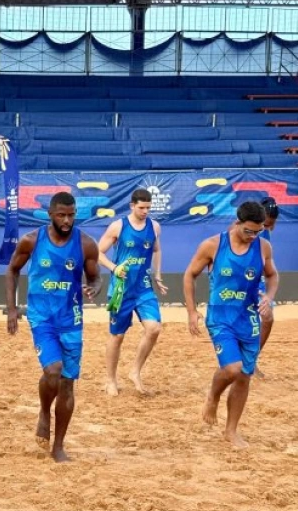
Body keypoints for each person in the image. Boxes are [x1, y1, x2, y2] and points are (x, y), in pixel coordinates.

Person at [5, 191, 100, 463]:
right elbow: (12, 270)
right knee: (53, 370)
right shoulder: (32, 240)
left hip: (71, 320)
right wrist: (12, 308)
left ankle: (58, 446)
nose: (67, 220)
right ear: (50, 215)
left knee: (67, 384)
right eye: (61, 215)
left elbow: (95, 277)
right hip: (42, 317)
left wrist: (93, 287)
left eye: (71, 215)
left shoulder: (86, 244)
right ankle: (45, 411)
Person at [183, 201, 277, 448]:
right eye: (248, 231)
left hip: (249, 319)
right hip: (220, 317)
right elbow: (190, 275)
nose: (253, 236)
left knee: (244, 376)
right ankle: (213, 396)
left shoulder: (263, 247)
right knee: (233, 369)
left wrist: (268, 297)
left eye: (258, 231)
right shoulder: (213, 245)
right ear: (237, 223)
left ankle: (231, 430)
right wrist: (192, 311)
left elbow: (272, 275)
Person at [97, 189, 168, 396]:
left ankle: (135, 371)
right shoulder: (118, 226)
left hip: (143, 288)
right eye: (141, 207)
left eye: (148, 208)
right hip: (121, 289)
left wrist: (157, 275)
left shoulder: (154, 227)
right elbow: (97, 252)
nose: (145, 211)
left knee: (154, 328)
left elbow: (156, 250)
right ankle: (111, 380)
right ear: (132, 206)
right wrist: (114, 268)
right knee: (117, 336)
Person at [255, 197, 279, 377]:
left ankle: (251, 360)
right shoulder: (244, 228)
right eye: (266, 223)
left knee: (268, 319)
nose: (268, 227)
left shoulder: (266, 233)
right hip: (243, 281)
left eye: (271, 223)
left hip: (258, 281)